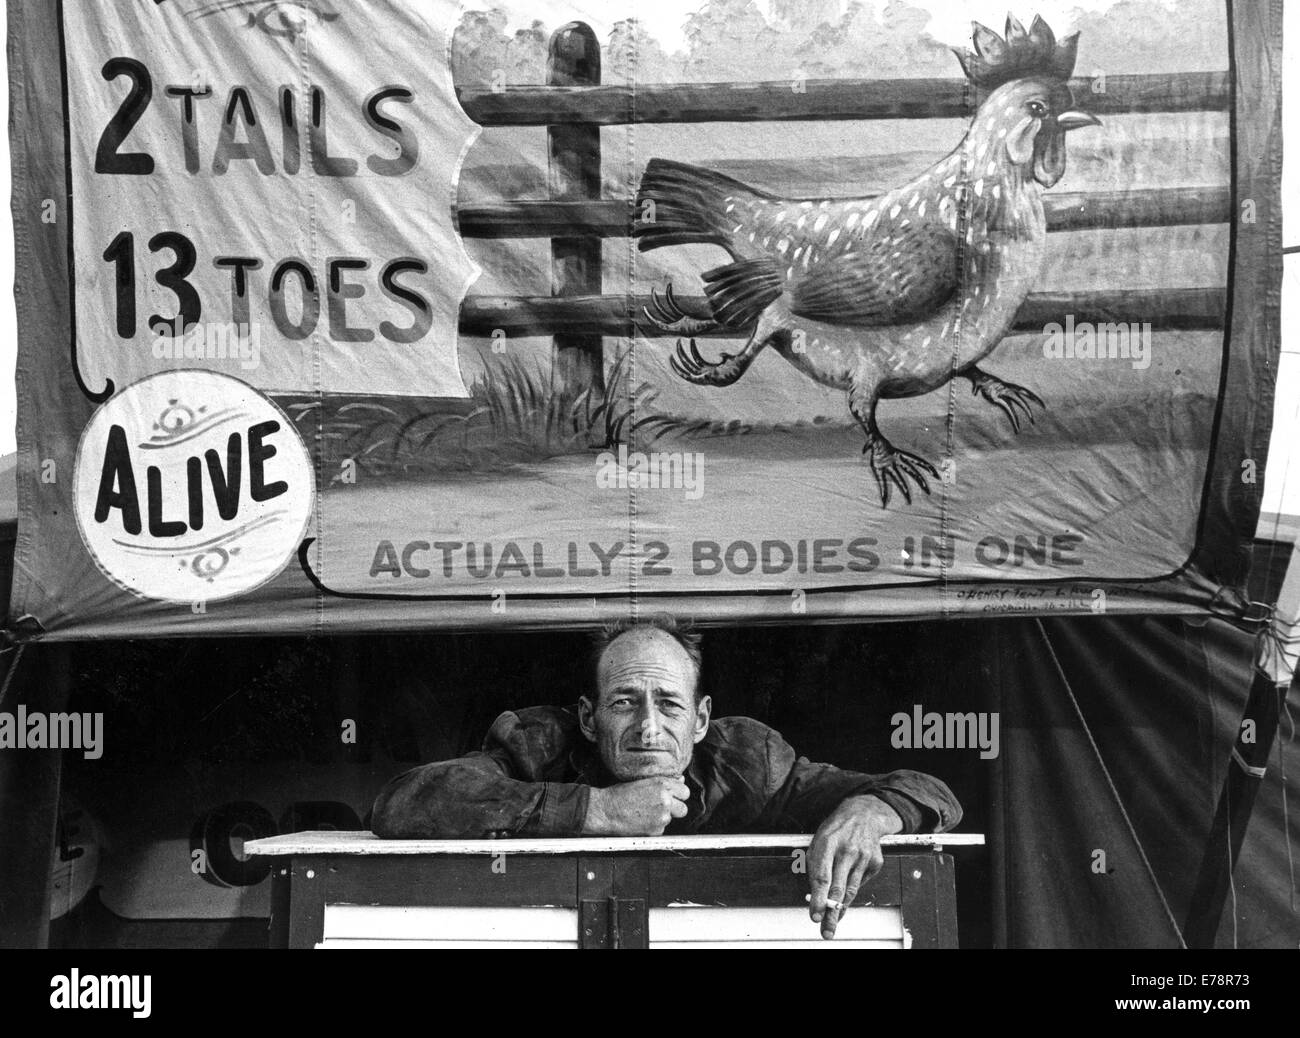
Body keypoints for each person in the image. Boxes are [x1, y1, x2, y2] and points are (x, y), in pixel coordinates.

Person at [371, 615, 962, 939]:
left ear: (702, 719)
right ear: (589, 716)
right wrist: (594, 811)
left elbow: (931, 790)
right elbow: (403, 801)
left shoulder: (748, 761)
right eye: (625, 702)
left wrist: (869, 813)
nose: (649, 726)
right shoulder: (543, 742)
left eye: (670, 705)